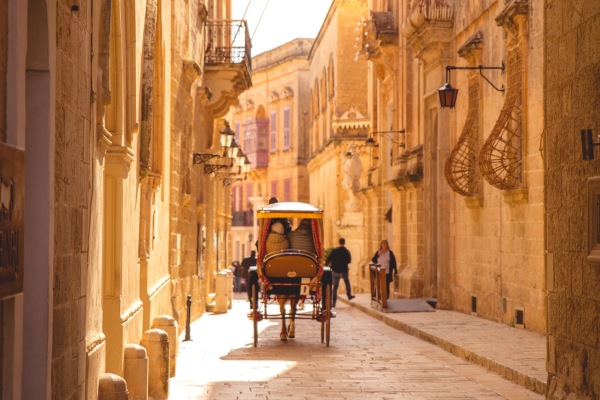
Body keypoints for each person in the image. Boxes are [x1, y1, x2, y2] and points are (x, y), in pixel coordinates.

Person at [326, 238, 355, 307]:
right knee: (347, 282)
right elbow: (349, 261)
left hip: (336, 271)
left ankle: (334, 302)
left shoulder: (335, 251)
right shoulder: (347, 251)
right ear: (344, 243)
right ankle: (349, 295)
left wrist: (326, 264)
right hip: (344, 271)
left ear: (339, 243)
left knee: (335, 287)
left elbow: (329, 258)